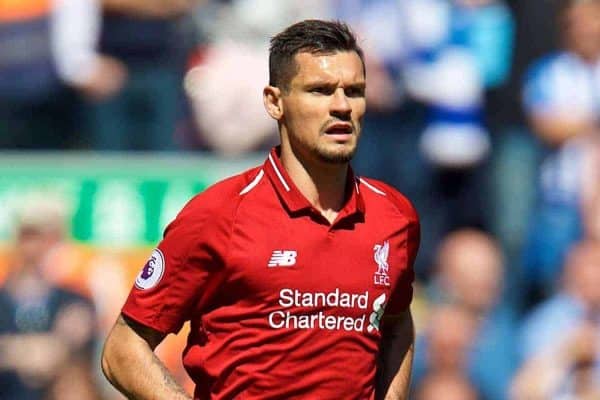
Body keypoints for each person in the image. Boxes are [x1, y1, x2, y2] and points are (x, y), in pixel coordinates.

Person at [101, 19, 420, 399]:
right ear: (274, 101)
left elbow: (397, 323)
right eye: (319, 91)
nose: (341, 106)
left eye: (354, 91)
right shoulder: (218, 214)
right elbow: (122, 349)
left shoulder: (393, 216)